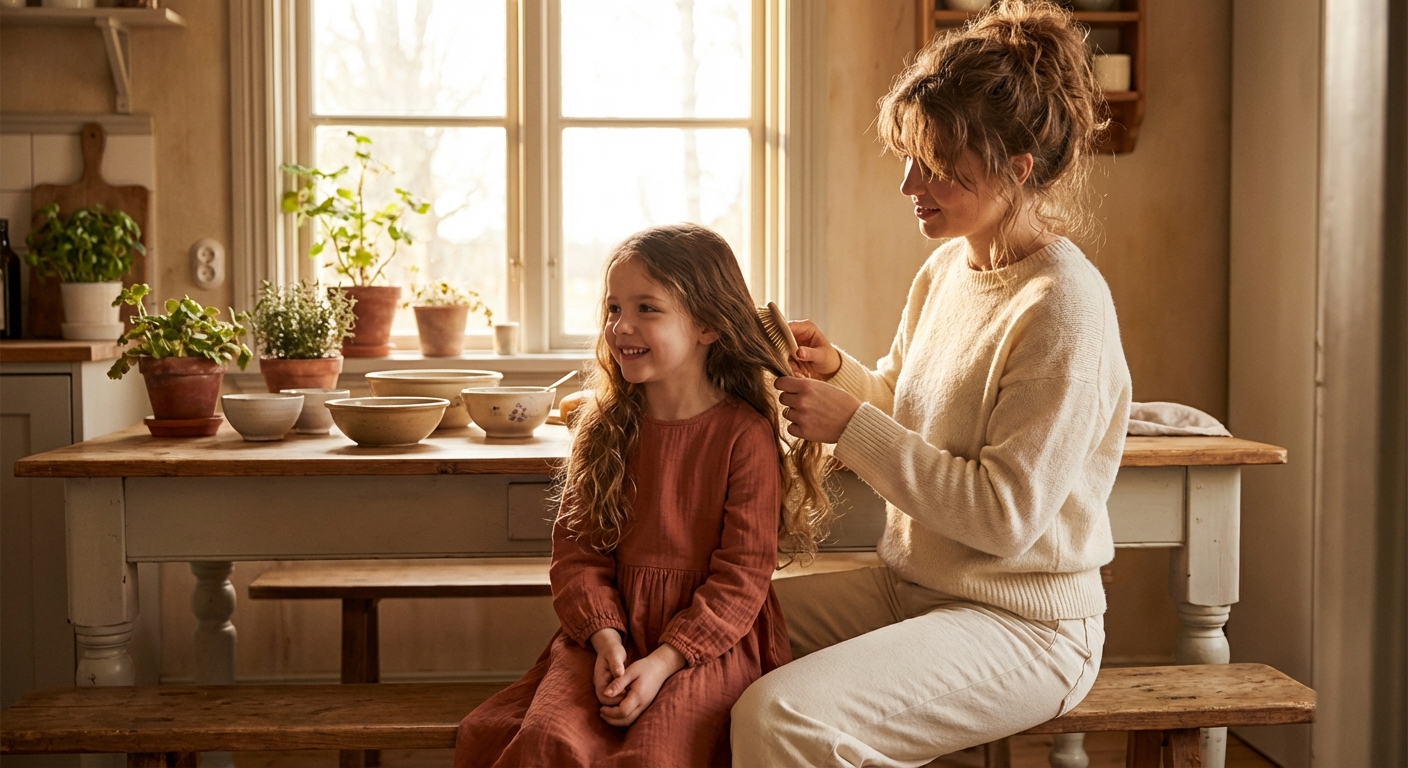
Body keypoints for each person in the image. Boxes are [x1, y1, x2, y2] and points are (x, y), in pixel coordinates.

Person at [730, 1, 1133, 764]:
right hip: (913, 590)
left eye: (938, 164)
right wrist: (842, 375)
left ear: (1017, 168)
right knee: (710, 629)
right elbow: (910, 408)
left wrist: (849, 422)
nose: (910, 182)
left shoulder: (1064, 307)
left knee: (779, 718)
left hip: (1027, 627)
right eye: (910, 157)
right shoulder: (948, 268)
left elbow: (1003, 515)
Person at [454, 223, 834, 767]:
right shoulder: (602, 427)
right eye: (613, 309)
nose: (621, 326)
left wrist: (661, 662)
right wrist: (606, 639)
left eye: (647, 309)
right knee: (548, 742)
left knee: (658, 754)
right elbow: (576, 555)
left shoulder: (743, 435)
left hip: (707, 647)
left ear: (706, 324)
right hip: (606, 634)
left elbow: (742, 577)